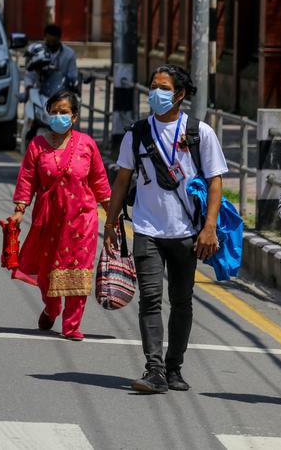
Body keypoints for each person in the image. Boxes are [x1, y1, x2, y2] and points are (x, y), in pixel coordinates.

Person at [103, 64, 227, 394]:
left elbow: (216, 182)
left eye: (162, 88)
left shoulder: (200, 133)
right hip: (146, 229)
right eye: (152, 86)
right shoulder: (137, 133)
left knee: (182, 301)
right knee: (151, 300)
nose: (154, 93)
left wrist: (209, 227)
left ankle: (174, 367)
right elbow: (122, 180)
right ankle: (154, 369)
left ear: (180, 95)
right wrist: (111, 222)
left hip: (186, 232)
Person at [9, 89, 111, 340]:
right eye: (53, 112)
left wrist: (113, 216)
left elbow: (99, 181)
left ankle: (72, 325)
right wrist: (19, 210)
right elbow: (27, 180)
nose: (58, 116)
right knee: (47, 272)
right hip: (48, 220)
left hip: (82, 221)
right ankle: (51, 307)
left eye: (63, 112)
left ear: (74, 116)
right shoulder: (37, 145)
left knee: (79, 270)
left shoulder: (87, 144)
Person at [25, 24, 78, 91]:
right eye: (48, 42)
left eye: (54, 42)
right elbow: (30, 74)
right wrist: (29, 87)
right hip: (40, 90)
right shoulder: (37, 51)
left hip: (61, 92)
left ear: (59, 39)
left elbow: (73, 75)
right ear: (44, 38)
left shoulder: (69, 54)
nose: (51, 45)